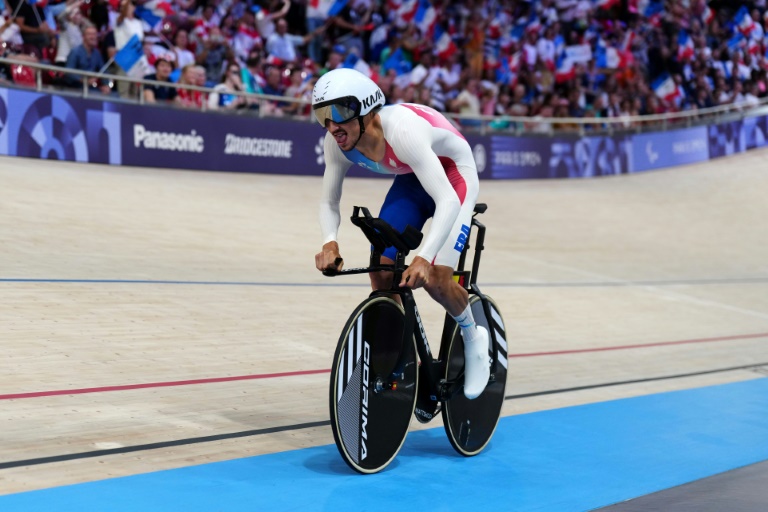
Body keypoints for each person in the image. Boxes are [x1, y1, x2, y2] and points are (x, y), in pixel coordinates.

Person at [312, 68, 491, 400]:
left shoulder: (403, 131)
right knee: (382, 268)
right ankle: (401, 359)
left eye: (338, 113)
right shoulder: (337, 142)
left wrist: (423, 257)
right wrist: (329, 242)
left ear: (367, 110)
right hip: (415, 176)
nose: (331, 125)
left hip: (453, 175)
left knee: (436, 277)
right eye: (322, 115)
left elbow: (448, 200)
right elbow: (328, 199)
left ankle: (473, 334)